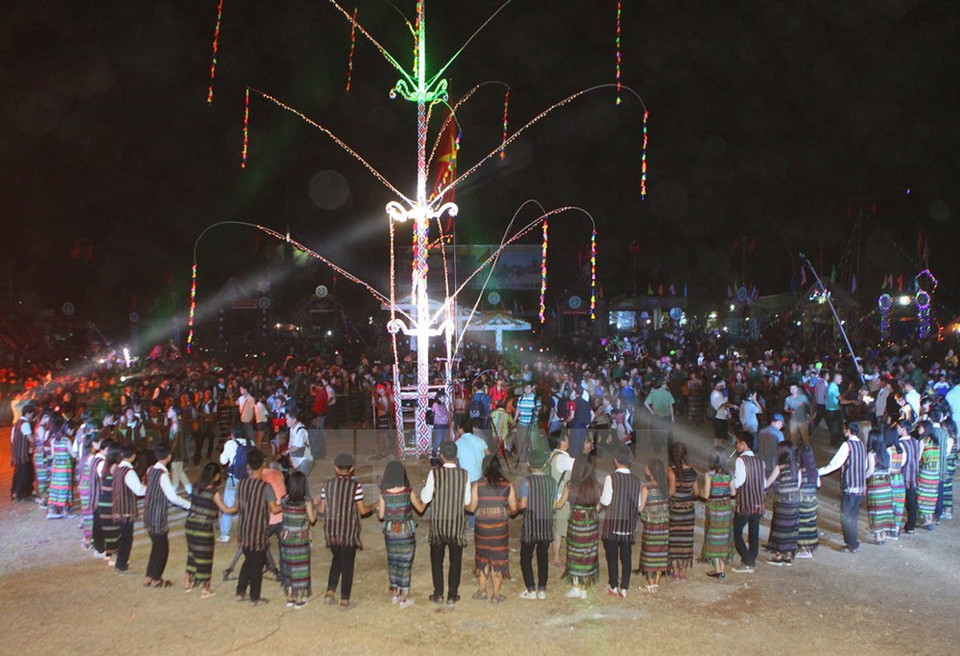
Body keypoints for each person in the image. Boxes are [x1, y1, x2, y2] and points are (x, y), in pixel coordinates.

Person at [317, 453, 374, 610]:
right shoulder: (355, 487)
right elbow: (362, 510)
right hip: (348, 532)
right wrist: (374, 505)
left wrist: (316, 503)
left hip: (332, 532)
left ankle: (330, 592)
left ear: (335, 468)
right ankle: (344, 601)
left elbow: (322, 509)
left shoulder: (326, 485)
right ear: (352, 469)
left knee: (336, 560)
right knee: (348, 564)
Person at [420, 440, 471, 607]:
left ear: (441, 456)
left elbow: (425, 498)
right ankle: (452, 595)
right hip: (456, 525)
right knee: (455, 561)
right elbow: (467, 501)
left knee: (437, 560)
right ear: (456, 456)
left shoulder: (434, 474)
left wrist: (424, 487)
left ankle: (438, 593)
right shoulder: (464, 474)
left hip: (438, 525)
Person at [234, 448, 281, 607]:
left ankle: (240, 591)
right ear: (263, 464)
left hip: (244, 530)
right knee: (257, 564)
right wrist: (286, 505)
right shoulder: (265, 487)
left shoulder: (241, 484)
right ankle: (255, 597)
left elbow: (237, 507)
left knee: (248, 561)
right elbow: (274, 509)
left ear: (248, 465)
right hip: (259, 531)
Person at [467, 455, 517, 603]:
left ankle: (482, 591)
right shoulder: (507, 485)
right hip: (500, 530)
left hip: (482, 529)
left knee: (482, 559)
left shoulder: (479, 485)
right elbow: (514, 509)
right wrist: (506, 511)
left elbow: (471, 508)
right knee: (498, 560)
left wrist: (463, 505)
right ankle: (496, 595)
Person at [142, 444, 191, 588]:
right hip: (158, 515)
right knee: (162, 548)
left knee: (156, 546)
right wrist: (189, 505)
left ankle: (149, 576)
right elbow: (172, 497)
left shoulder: (151, 469)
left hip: (148, 513)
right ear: (168, 456)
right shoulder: (163, 475)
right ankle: (156, 578)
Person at [377, 460, 425, 609]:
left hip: (390, 532)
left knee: (393, 562)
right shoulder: (408, 491)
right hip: (406, 531)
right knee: (405, 563)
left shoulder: (383, 493)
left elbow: (381, 515)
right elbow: (420, 509)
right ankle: (404, 598)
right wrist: (426, 498)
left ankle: (395, 594)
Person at [184, 462, 236, 598]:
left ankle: (187, 583)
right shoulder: (213, 492)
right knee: (205, 557)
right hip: (203, 526)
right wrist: (238, 506)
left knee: (192, 552)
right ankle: (205, 589)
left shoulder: (195, 486)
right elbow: (225, 510)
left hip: (190, 524)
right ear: (216, 476)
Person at [818, 421, 868, 552]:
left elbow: (835, 464)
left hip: (850, 486)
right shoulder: (862, 445)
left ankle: (851, 544)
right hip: (861, 486)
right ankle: (853, 541)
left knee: (846, 516)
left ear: (847, 430)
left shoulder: (847, 445)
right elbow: (865, 465)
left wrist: (818, 472)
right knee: (853, 516)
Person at [599, 445, 642, 598]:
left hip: (613, 524)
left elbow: (606, 500)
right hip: (628, 525)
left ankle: (613, 586)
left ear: (615, 461)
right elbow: (637, 504)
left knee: (611, 556)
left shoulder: (611, 478)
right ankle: (625, 587)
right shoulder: (637, 480)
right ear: (630, 461)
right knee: (626, 556)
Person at [557, 453, 601, 599]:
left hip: (576, 523)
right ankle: (584, 589)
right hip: (591, 524)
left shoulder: (570, 485)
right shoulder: (596, 486)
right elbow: (598, 507)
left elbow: (560, 504)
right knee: (588, 553)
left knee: (575, 553)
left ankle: (576, 587)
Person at [517, 449, 556, 600]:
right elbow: (553, 504)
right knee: (543, 556)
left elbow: (522, 504)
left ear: (529, 463)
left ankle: (531, 589)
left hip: (530, 525)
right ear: (545, 464)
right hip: (546, 525)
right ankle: (542, 589)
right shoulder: (551, 482)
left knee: (526, 557)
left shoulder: (526, 482)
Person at [280, 470, 317, 609]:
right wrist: (315, 508)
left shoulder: (284, 500)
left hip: (287, 538)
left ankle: (290, 596)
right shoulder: (306, 502)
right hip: (300, 539)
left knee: (289, 565)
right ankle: (300, 598)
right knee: (301, 567)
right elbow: (312, 519)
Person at [732, 432, 765, 573]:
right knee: (754, 532)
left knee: (737, 532)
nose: (736, 445)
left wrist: (730, 480)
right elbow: (763, 483)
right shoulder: (759, 460)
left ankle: (747, 560)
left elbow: (739, 481)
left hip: (745, 502)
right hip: (758, 502)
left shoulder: (741, 460)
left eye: (737, 443)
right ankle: (751, 558)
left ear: (743, 444)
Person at [700, 446, 734, 578]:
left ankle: (718, 569)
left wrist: (698, 492)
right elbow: (733, 492)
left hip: (714, 510)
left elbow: (706, 495)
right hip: (726, 510)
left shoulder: (710, 475)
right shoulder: (729, 474)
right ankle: (722, 570)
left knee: (713, 538)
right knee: (724, 538)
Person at [764, 441, 800, 565]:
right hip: (794, 501)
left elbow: (767, 484)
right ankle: (788, 554)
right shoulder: (797, 466)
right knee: (791, 527)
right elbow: (798, 484)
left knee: (779, 527)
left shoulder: (779, 467)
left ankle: (778, 555)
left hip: (782, 502)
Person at [112, 444, 146, 573]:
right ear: (133, 456)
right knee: (127, 538)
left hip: (118, 505)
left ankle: (120, 563)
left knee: (122, 536)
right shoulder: (129, 471)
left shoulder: (117, 468)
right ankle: (121, 564)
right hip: (126, 508)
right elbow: (138, 490)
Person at [638, 458, 671, 590]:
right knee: (661, 554)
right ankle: (656, 582)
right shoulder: (665, 488)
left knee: (649, 554)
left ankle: (651, 584)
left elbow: (641, 508)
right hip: (664, 526)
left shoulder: (646, 488)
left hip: (651, 526)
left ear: (651, 471)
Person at [218, 427, 251, 543]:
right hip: (248, 478)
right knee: (247, 505)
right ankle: (247, 532)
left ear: (232, 434)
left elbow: (222, 461)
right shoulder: (250, 442)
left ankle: (225, 534)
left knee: (228, 505)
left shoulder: (230, 443)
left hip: (234, 478)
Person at [455, 416, 488, 529]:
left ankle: (472, 525)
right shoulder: (480, 441)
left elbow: (454, 460)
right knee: (478, 500)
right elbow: (488, 456)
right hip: (479, 476)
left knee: (468, 501)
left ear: (460, 429)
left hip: (466, 477)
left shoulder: (458, 443)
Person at [865, 428, 895, 545]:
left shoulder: (872, 453)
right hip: (886, 485)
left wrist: (862, 477)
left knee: (876, 510)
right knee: (885, 509)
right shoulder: (886, 453)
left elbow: (870, 471)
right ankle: (883, 535)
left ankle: (877, 536)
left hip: (875, 485)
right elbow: (888, 469)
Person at [549, 432, 575, 567]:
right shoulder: (563, 458)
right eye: (566, 438)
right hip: (562, 498)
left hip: (553, 496)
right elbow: (578, 466)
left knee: (556, 528)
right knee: (560, 530)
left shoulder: (552, 455)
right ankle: (557, 558)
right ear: (562, 442)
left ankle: (556, 556)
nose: (569, 441)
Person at [46, 417, 76, 518]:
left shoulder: (53, 441)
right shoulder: (67, 440)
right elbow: (73, 454)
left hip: (56, 466)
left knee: (55, 487)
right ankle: (64, 511)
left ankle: (52, 510)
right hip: (64, 467)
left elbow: (53, 455)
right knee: (64, 487)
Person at [796, 443, 821, 558]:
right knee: (811, 524)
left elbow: (797, 486)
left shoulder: (799, 471)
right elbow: (818, 484)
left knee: (801, 525)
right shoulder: (814, 470)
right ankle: (810, 546)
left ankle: (803, 549)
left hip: (802, 501)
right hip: (813, 501)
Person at [915, 420, 941, 530]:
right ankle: (929, 518)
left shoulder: (923, 441)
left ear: (925, 429)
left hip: (925, 471)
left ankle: (926, 520)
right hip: (935, 473)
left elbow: (918, 458)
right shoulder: (936, 441)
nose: (918, 430)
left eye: (919, 428)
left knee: (922, 495)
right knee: (931, 496)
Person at [898, 420, 921, 534]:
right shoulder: (916, 441)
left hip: (903, 476)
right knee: (912, 502)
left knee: (899, 502)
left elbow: (901, 462)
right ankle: (910, 526)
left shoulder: (900, 444)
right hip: (914, 476)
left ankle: (896, 526)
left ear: (903, 429)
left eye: (898, 427)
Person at [10, 404, 36, 502]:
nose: (32, 417)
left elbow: (12, 440)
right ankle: (21, 495)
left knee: (18, 474)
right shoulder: (25, 424)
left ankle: (15, 492)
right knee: (24, 474)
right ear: (27, 413)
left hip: (16, 453)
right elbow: (30, 439)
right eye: (32, 415)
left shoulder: (17, 423)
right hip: (23, 454)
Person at [285, 407, 314, 481]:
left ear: (294, 420)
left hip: (304, 460)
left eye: (288, 419)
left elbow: (297, 446)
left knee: (300, 481)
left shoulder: (301, 431)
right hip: (297, 459)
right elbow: (291, 444)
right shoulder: (292, 429)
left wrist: (287, 452)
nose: (286, 421)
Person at [709, 378, 732, 448]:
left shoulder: (713, 393)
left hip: (716, 416)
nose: (722, 385)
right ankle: (720, 451)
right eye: (721, 383)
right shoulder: (718, 394)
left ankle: (716, 451)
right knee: (722, 436)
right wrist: (731, 410)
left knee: (717, 435)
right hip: (721, 416)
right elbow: (725, 404)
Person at [431, 390, 452, 460]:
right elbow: (440, 414)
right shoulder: (435, 405)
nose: (445, 399)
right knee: (438, 439)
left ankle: (442, 454)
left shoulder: (443, 405)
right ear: (439, 397)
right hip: (439, 425)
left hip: (445, 425)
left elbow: (447, 414)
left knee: (445, 440)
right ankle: (434, 454)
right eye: (443, 397)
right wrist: (447, 417)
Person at [825, 373, 844, 447]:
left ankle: (835, 442)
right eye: (840, 379)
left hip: (831, 409)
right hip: (832, 410)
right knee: (835, 428)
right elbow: (840, 398)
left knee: (836, 427)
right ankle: (834, 443)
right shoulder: (834, 387)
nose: (841, 381)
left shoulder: (831, 385)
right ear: (836, 379)